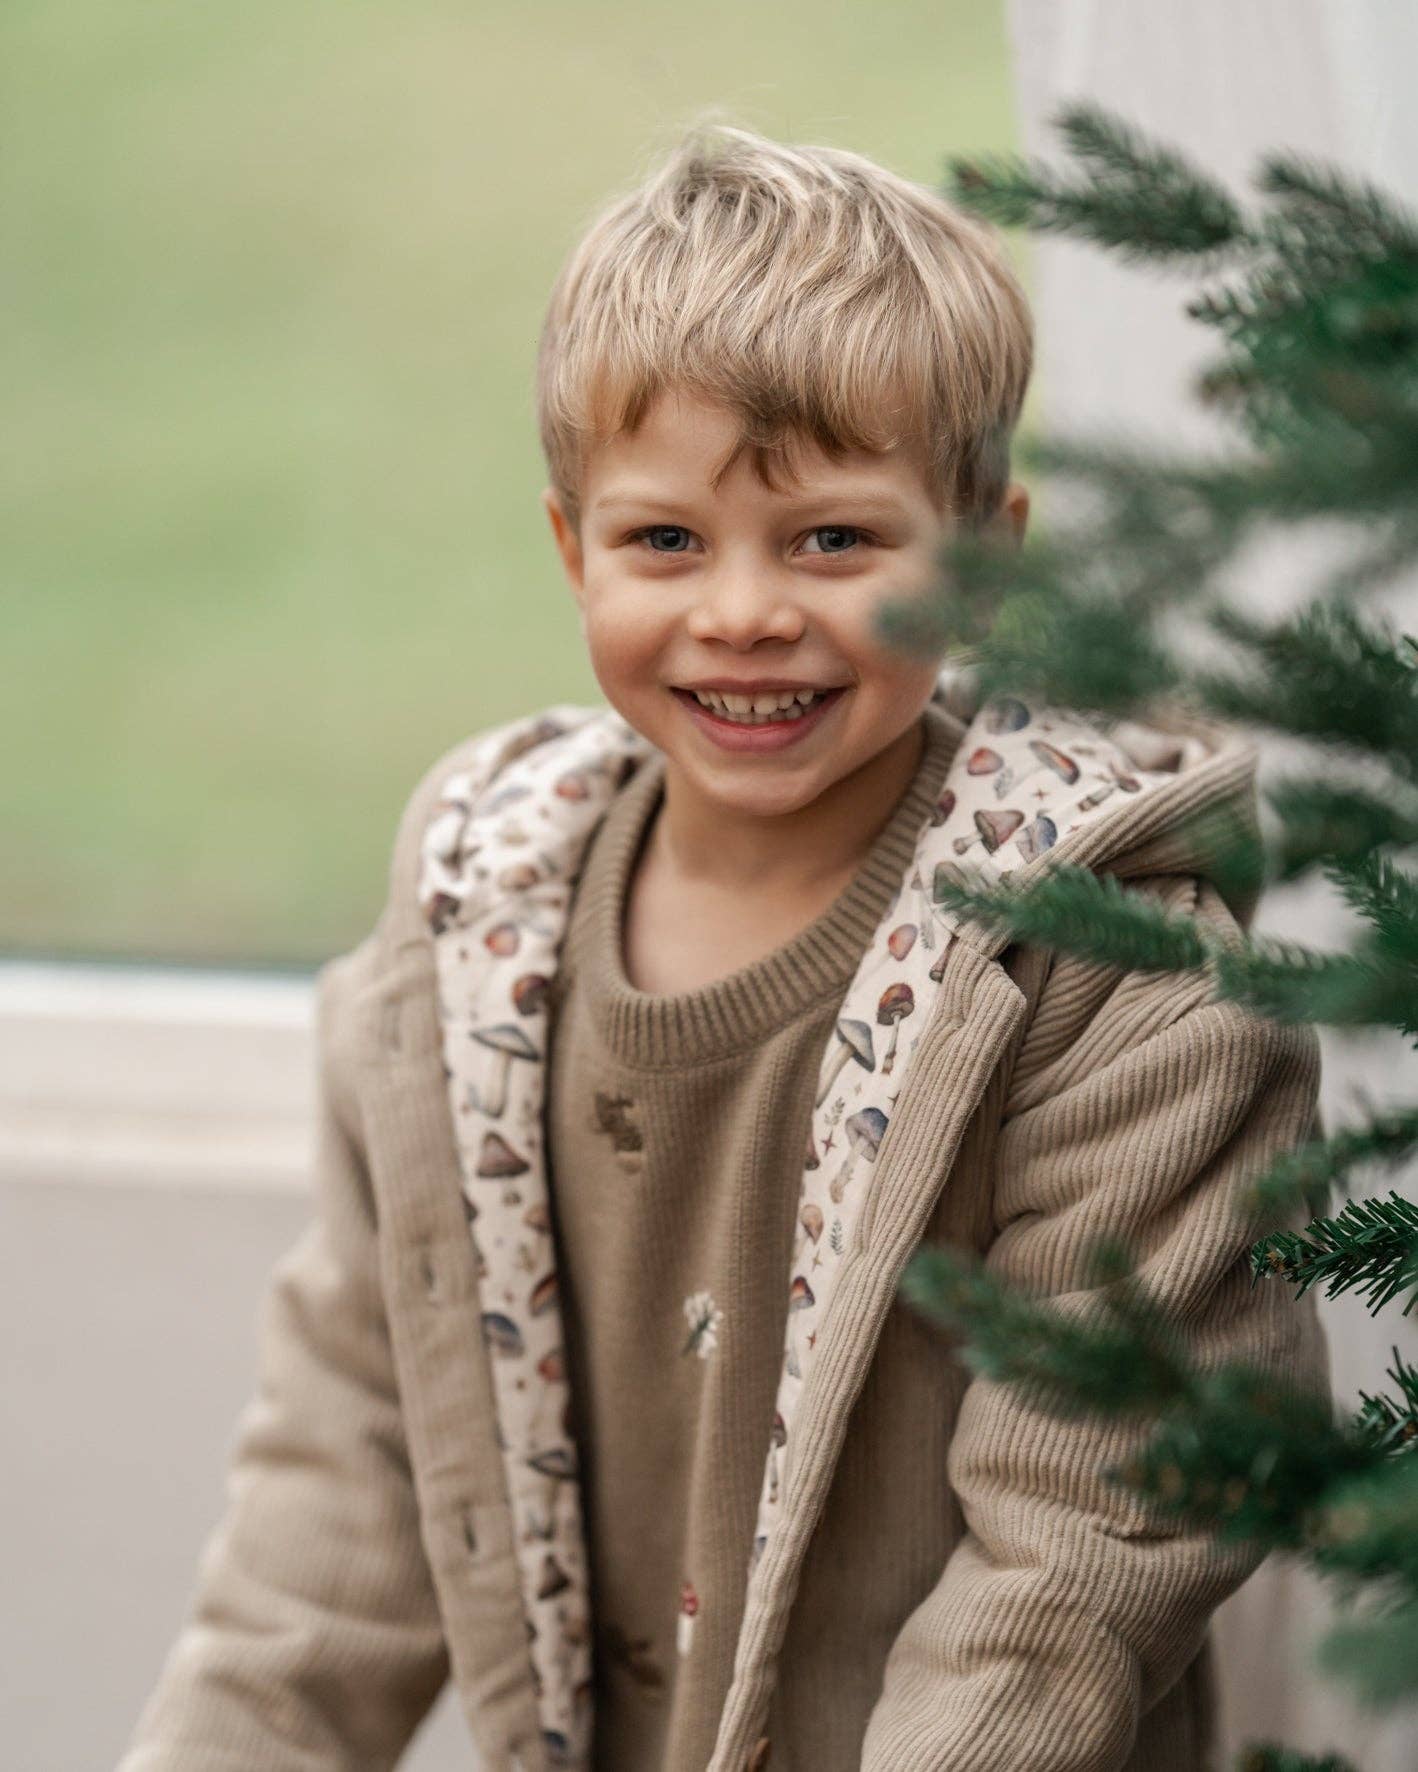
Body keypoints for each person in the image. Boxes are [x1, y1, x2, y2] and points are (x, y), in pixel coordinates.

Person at [120, 120, 1329, 1772]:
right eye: (665, 541)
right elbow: (355, 1456)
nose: (743, 611)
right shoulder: (477, 928)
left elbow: (1080, 1544)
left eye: (832, 539)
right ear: (571, 549)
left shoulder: (1103, 979)